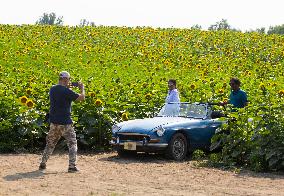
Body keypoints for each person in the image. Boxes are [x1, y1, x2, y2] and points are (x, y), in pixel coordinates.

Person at [39, 71, 85, 173]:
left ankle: (43, 163)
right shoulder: (67, 92)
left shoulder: (52, 89)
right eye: (68, 79)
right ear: (65, 79)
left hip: (54, 122)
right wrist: (82, 88)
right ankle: (72, 166)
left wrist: (68, 87)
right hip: (65, 123)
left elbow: (61, 92)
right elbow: (82, 98)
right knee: (72, 143)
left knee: (50, 143)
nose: (69, 81)